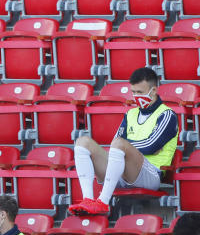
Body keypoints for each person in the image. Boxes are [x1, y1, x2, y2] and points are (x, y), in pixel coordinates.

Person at [68, 67, 179, 216]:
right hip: (122, 171)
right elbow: (120, 144)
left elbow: (151, 146)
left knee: (120, 144)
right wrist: (133, 146)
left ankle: (103, 202)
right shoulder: (130, 114)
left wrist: (128, 145)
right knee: (82, 142)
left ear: (153, 91)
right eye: (133, 92)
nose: (135, 96)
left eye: (140, 92)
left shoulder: (167, 114)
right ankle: (87, 199)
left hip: (151, 174)